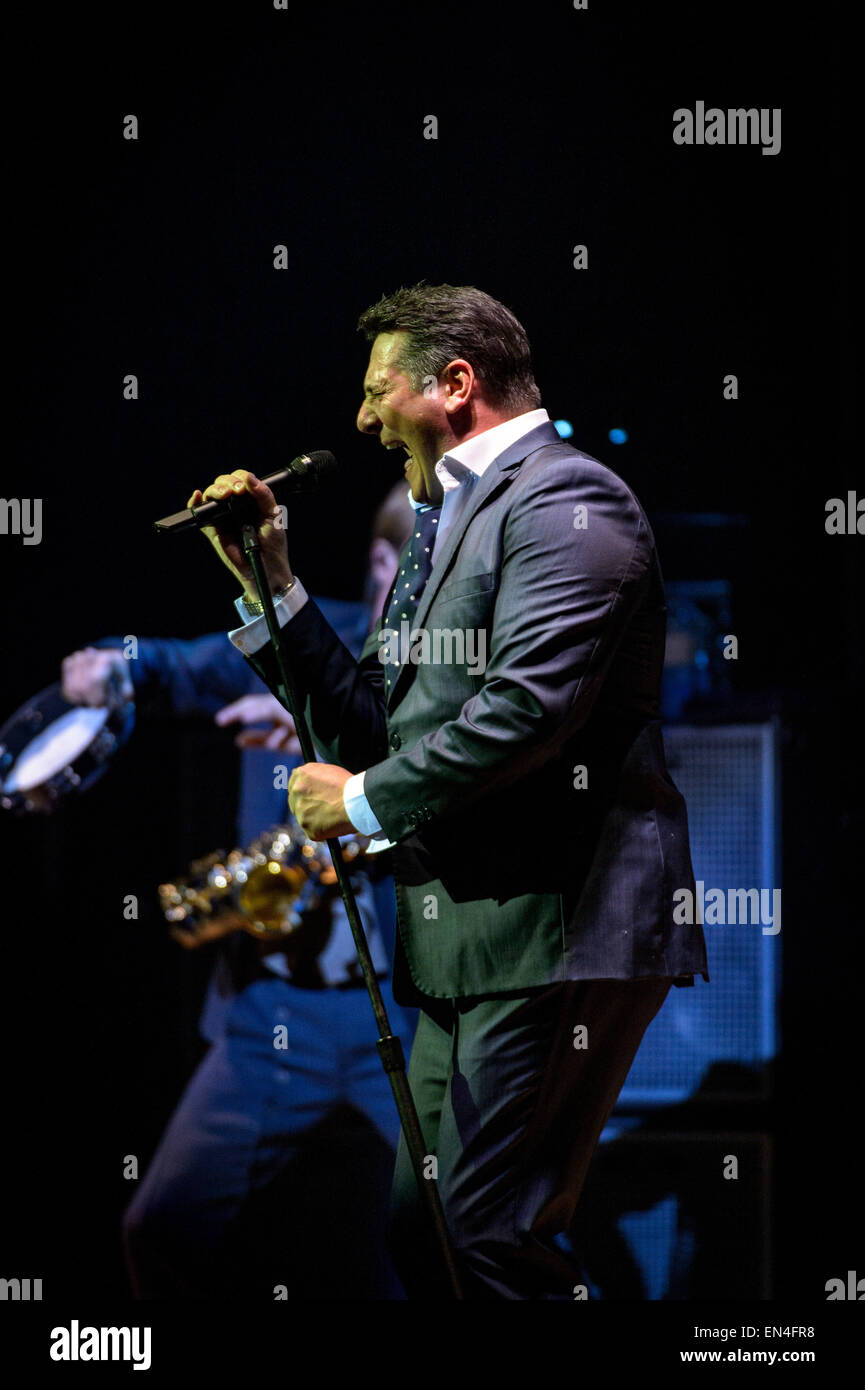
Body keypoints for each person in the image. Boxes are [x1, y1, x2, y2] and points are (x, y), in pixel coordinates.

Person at [187, 282, 709, 1301]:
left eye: (378, 390)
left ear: (455, 385)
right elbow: (375, 723)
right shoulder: (447, 519)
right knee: (425, 1231)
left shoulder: (568, 500)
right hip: (471, 942)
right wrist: (270, 582)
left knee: (487, 1237)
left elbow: (529, 707)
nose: (362, 417)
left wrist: (366, 803)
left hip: (557, 931)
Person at [60, 482, 417, 1299]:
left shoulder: (442, 672)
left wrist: (307, 736)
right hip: (272, 1016)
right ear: (382, 562)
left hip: (395, 1019)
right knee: (160, 1228)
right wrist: (117, 665)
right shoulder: (305, 636)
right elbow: (188, 668)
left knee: (459, 1236)